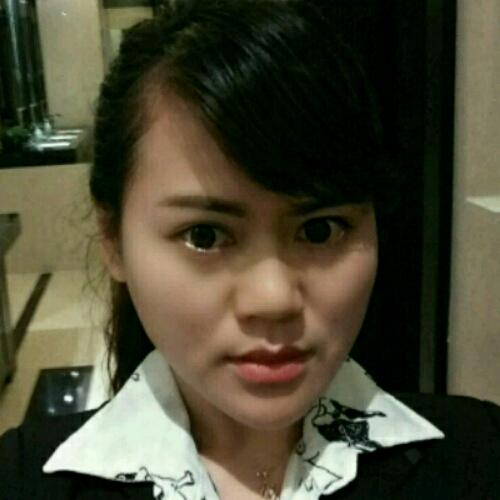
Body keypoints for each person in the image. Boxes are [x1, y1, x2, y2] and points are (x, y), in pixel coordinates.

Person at [1, 1, 499, 498]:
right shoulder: (23, 481)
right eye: (205, 236)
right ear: (113, 239)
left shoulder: (480, 456)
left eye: (320, 230)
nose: (273, 298)